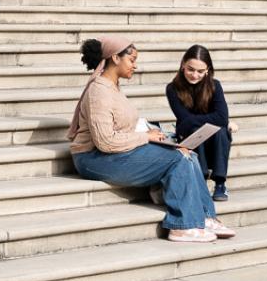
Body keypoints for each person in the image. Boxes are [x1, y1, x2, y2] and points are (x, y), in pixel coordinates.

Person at [66, 35, 235, 243]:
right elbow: (106, 142)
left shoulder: (113, 87)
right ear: (115, 58)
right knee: (177, 159)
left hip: (114, 152)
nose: (135, 66)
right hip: (92, 158)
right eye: (132, 60)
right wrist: (145, 137)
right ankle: (182, 225)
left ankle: (205, 216)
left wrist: (152, 135)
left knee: (187, 153)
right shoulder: (99, 91)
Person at [166, 44, 237, 201]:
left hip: (212, 135)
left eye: (200, 71)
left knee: (220, 131)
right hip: (188, 134)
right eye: (191, 69)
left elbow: (222, 118)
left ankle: (220, 184)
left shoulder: (214, 85)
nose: (194, 75)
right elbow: (184, 120)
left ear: (207, 70)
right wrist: (209, 120)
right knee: (200, 128)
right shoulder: (172, 88)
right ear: (183, 65)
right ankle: (201, 179)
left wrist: (199, 121)